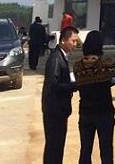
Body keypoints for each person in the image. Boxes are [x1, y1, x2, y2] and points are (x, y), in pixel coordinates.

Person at [73, 30, 115, 164]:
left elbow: (78, 83)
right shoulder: (107, 64)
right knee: (106, 150)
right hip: (104, 111)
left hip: (86, 112)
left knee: (85, 150)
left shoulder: (77, 66)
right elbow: (114, 79)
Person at [42, 26, 79, 164]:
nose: (75, 44)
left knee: (57, 147)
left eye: (76, 41)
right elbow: (54, 85)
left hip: (59, 110)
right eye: (73, 41)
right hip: (54, 111)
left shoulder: (61, 56)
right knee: (54, 147)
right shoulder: (56, 58)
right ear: (63, 40)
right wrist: (74, 85)